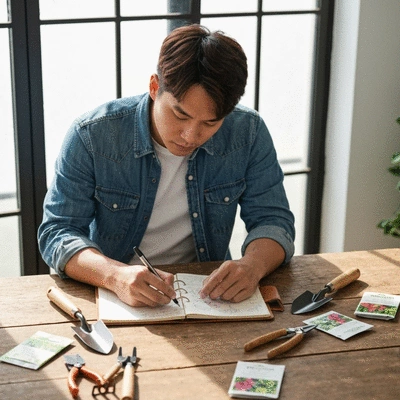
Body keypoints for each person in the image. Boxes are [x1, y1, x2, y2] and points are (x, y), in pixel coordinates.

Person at [38, 24, 295, 307]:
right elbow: (57, 232)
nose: (191, 136)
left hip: (209, 298)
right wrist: (115, 276)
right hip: (116, 295)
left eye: (210, 123)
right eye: (180, 115)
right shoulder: (92, 136)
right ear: (154, 87)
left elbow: (273, 221)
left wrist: (252, 266)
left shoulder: (248, 132)